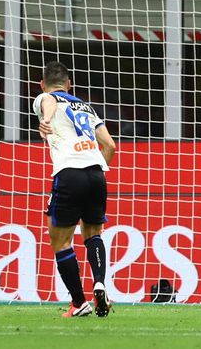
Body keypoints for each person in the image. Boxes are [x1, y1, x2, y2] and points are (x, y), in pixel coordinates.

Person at [33, 61, 116, 318]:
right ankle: (99, 283)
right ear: (70, 84)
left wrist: (46, 120)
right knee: (93, 234)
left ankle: (79, 302)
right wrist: (96, 168)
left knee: (61, 241)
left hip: (69, 173)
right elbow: (110, 146)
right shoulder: (86, 107)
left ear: (42, 84)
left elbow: (49, 102)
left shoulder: (44, 97)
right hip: (96, 173)